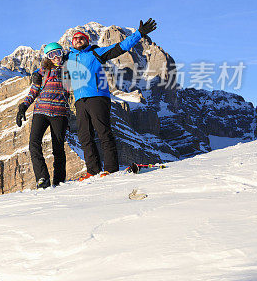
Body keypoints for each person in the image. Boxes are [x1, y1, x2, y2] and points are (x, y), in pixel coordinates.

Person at [66, 19, 158, 179]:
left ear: (86, 41)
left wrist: (139, 34)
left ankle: (111, 168)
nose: (78, 40)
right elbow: (49, 60)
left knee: (103, 132)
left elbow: (119, 48)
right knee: (84, 136)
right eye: (75, 39)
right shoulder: (68, 58)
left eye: (82, 38)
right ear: (72, 43)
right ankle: (92, 170)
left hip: (97, 97)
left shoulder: (95, 53)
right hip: (80, 101)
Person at [16, 42, 71, 189]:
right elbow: (33, 91)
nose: (56, 57)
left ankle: (59, 181)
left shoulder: (69, 68)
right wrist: (23, 107)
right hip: (40, 111)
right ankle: (42, 178)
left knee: (58, 148)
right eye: (52, 55)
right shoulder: (42, 72)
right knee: (34, 144)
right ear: (47, 57)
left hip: (59, 113)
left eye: (58, 53)